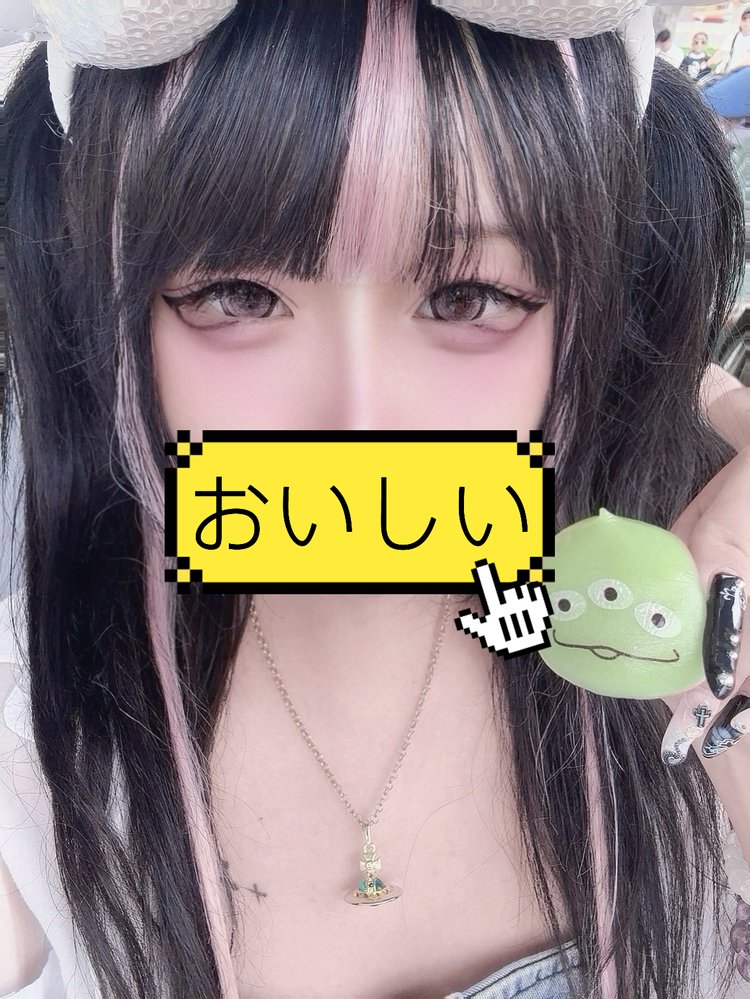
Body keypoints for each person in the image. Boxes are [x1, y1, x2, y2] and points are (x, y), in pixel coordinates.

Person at [0, 2, 749, 998]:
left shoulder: (677, 635)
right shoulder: (28, 746)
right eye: (237, 295)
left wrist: (720, 707)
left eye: (467, 297)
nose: (355, 425)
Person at [701, 5, 750, 123]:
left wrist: (735, 69)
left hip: (741, 80)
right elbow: (721, 53)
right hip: (728, 77)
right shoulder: (735, 36)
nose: (747, 22)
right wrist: (706, 64)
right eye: (745, 19)